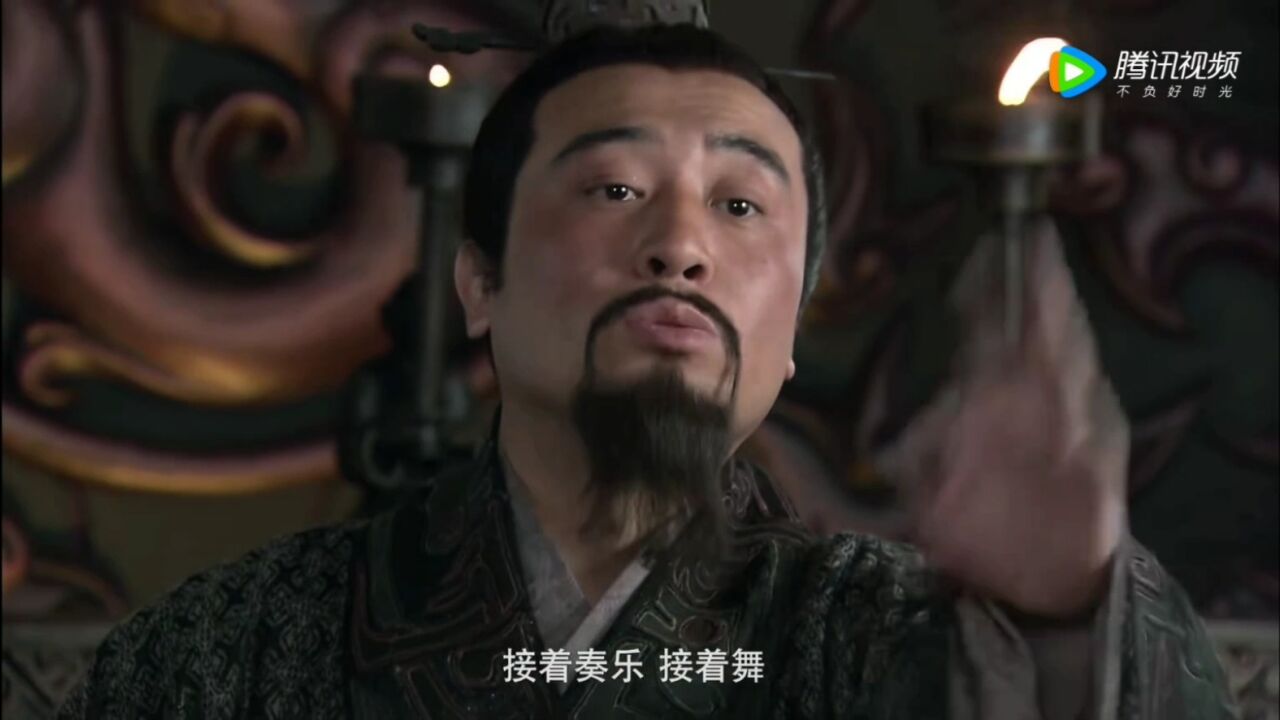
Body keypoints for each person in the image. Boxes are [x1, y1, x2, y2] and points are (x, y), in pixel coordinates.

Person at [59, 23, 1235, 720]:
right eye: (613, 187)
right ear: (478, 280)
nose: (678, 246)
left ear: (788, 333)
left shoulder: (883, 642)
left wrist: (1068, 605)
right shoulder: (235, 650)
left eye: (739, 205)